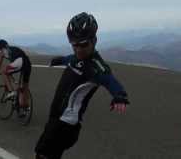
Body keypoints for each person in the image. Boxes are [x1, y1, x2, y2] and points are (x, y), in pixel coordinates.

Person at [34, 12, 130, 159]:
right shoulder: (77, 57)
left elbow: (110, 80)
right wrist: (59, 60)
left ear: (94, 40)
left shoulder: (96, 66)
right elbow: (71, 59)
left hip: (65, 124)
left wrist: (120, 96)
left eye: (83, 44)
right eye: (74, 44)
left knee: (42, 155)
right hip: (57, 118)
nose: (78, 49)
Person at [0, 39, 32, 109]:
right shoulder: (13, 48)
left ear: (0, 47)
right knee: (24, 87)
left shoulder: (3, 51)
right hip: (27, 64)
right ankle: (26, 106)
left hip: (19, 61)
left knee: (4, 72)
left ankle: (10, 91)